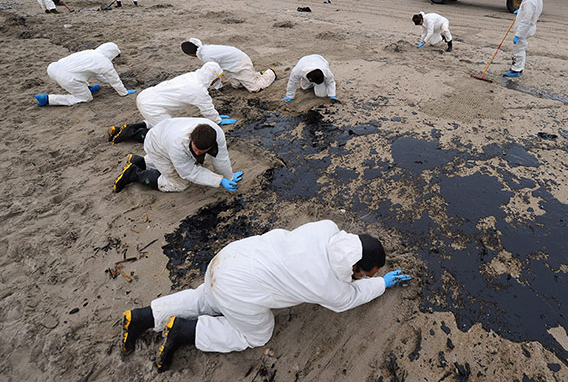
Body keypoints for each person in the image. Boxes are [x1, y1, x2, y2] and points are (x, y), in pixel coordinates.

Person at [120, 219, 411, 372]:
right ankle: (185, 331)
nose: (365, 278)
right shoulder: (326, 285)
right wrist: (382, 284)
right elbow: (350, 297)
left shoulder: (326, 229)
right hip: (240, 289)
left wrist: (369, 275)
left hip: (229, 259)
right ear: (355, 267)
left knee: (205, 298)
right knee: (257, 335)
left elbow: (347, 266)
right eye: (366, 273)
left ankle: (142, 317)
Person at [107, 62, 236, 144]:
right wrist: (217, 121)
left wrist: (215, 117)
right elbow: (207, 108)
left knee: (156, 122)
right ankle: (129, 134)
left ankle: (121, 129)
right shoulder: (198, 90)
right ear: (212, 78)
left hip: (147, 96)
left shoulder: (192, 76)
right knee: (170, 133)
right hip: (152, 106)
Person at [112, 117, 243, 194]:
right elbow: (188, 172)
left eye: (202, 151)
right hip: (156, 145)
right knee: (180, 183)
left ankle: (139, 161)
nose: (197, 153)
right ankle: (134, 173)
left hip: (165, 133)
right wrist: (219, 180)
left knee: (188, 161)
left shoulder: (217, 134)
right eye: (196, 149)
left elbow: (221, 158)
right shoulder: (177, 144)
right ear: (191, 138)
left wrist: (228, 176)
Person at [34, 43, 136, 107]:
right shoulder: (105, 63)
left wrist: (106, 82)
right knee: (85, 98)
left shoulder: (90, 52)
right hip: (68, 78)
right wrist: (124, 92)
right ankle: (47, 99)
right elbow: (114, 79)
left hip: (54, 68)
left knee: (80, 74)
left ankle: (86, 88)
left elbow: (97, 74)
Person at [181, 38, 276, 93]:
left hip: (240, 63)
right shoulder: (203, 50)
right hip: (233, 67)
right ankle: (257, 74)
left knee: (254, 88)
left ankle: (270, 73)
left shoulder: (206, 56)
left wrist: (219, 88)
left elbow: (215, 72)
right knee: (236, 86)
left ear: (190, 54)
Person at [504, 0, 548, 78]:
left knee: (519, 50)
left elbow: (526, 20)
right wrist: (519, 12)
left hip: (525, 30)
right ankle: (518, 67)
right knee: (521, 49)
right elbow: (528, 14)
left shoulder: (530, 2)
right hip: (527, 29)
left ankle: (516, 70)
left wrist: (518, 34)